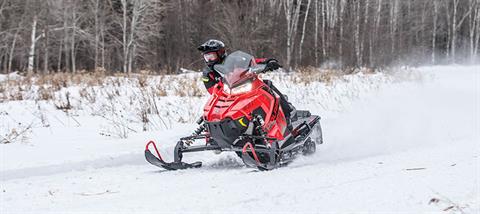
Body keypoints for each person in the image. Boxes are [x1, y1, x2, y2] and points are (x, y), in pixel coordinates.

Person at [197, 39, 295, 129]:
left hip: (243, 87)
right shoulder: (207, 73)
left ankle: (287, 113)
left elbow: (252, 62)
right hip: (226, 95)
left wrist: (267, 62)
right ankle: (212, 131)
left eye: (211, 56)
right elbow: (212, 91)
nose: (209, 60)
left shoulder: (233, 60)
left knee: (266, 84)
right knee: (212, 108)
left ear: (221, 53)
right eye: (207, 57)